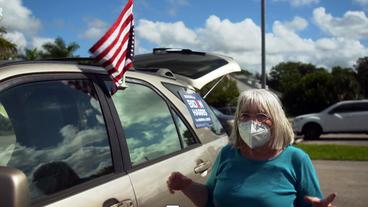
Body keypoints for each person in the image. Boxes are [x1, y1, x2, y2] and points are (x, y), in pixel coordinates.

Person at [167, 89, 336, 207]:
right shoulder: (228, 154)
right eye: (245, 115)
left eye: (262, 116)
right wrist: (186, 185)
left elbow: (313, 204)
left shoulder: (296, 159)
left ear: (276, 121)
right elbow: (210, 200)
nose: (252, 123)